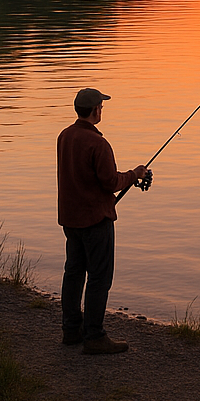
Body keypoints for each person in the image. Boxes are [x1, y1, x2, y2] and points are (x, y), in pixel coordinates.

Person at [57, 88, 149, 354]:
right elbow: (110, 182)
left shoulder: (64, 136)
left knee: (73, 273)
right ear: (96, 110)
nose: (102, 110)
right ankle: (95, 337)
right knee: (99, 278)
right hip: (95, 221)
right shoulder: (98, 144)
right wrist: (134, 174)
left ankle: (71, 331)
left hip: (70, 219)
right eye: (101, 107)